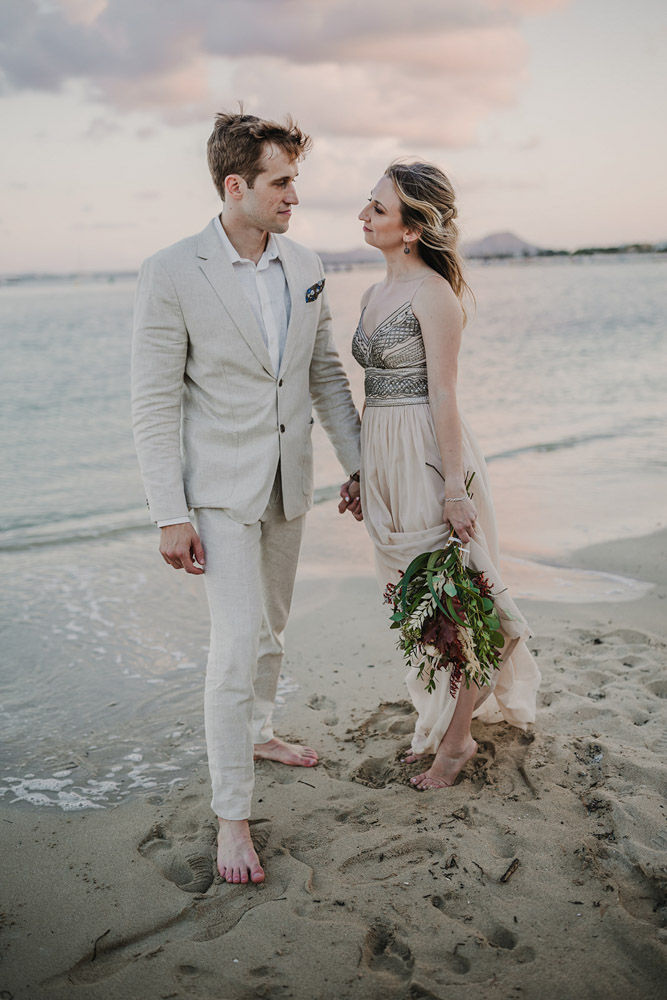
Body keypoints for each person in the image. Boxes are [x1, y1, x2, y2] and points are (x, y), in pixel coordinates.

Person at [132, 112, 361, 884]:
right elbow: (155, 402)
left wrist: (356, 465)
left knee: (271, 630)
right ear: (236, 187)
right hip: (217, 494)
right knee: (234, 648)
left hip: (288, 482)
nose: (295, 193)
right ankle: (233, 817)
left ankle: (259, 730)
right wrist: (171, 511)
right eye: (281, 180)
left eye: (294, 178)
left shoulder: (304, 263)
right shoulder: (171, 271)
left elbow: (322, 373)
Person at [340, 160, 540, 789]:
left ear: (411, 229)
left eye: (378, 208)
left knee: (460, 597)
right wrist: (358, 470)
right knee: (415, 600)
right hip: (384, 457)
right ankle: (447, 722)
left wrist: (455, 490)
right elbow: (372, 394)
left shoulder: (434, 296)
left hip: (429, 457)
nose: (364, 215)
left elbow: (444, 397)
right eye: (369, 204)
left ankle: (457, 743)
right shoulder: (374, 294)